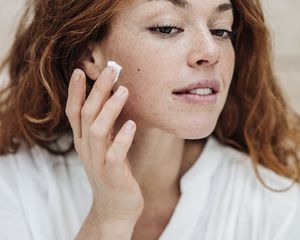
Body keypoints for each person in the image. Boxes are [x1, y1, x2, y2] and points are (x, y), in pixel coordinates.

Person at [0, 0, 300, 239]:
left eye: (221, 30)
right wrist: (110, 219)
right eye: (168, 28)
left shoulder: (278, 210)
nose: (210, 52)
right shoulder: (13, 189)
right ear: (89, 55)